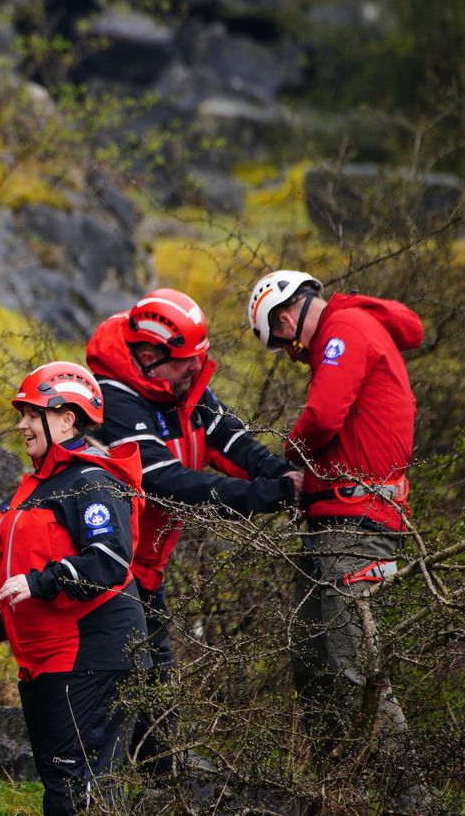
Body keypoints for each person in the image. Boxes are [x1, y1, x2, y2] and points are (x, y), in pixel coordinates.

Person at [84, 288, 301, 776]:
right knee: (127, 677)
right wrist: (264, 498)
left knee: (158, 676)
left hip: (146, 567)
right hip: (107, 568)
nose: (195, 370)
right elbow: (163, 480)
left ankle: (160, 780)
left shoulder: (180, 385)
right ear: (148, 355)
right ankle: (105, 785)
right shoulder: (111, 398)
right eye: (186, 362)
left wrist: (285, 477)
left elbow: (231, 439)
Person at [247, 269, 421, 757]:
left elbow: (322, 417)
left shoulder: (343, 330)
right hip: (335, 523)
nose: (290, 354)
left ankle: (409, 797)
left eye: (283, 343)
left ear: (285, 316)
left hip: (356, 526)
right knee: (313, 663)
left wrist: (292, 453)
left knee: (351, 666)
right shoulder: (346, 330)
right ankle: (337, 790)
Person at [0, 362, 150, 816]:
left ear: (68, 418)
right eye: (22, 413)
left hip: (90, 657)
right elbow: (25, 562)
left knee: (76, 791)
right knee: (63, 785)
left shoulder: (91, 481)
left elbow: (107, 561)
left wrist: (39, 582)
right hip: (49, 659)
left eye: (32, 413)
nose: (21, 424)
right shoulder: (41, 483)